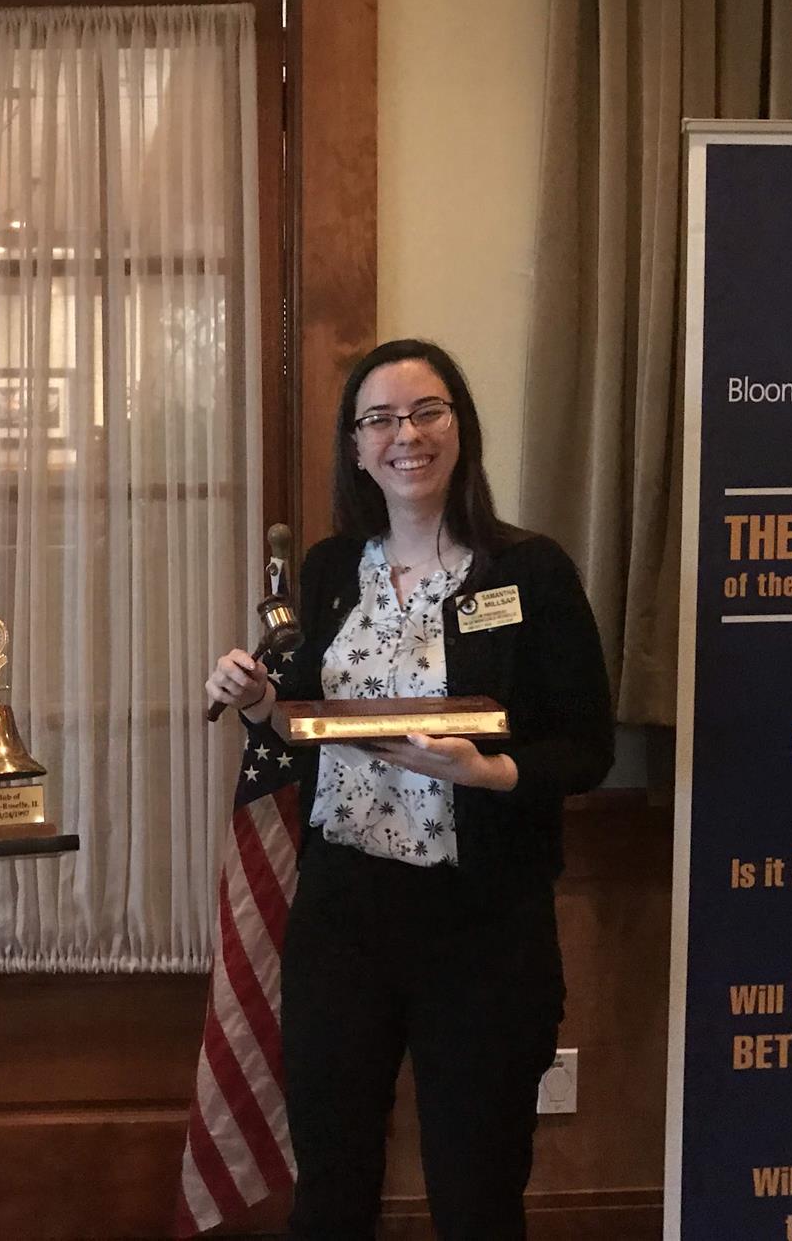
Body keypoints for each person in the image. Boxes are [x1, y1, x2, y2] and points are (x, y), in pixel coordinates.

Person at [204, 339, 614, 1240]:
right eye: (381, 419)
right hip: (343, 915)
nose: (407, 435)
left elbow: (588, 747)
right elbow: (309, 731)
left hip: (483, 923)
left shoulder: (529, 570)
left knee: (476, 1192)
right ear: (356, 447)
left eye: (428, 411)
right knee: (332, 1187)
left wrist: (490, 772)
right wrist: (261, 701)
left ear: (460, 428)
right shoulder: (328, 570)